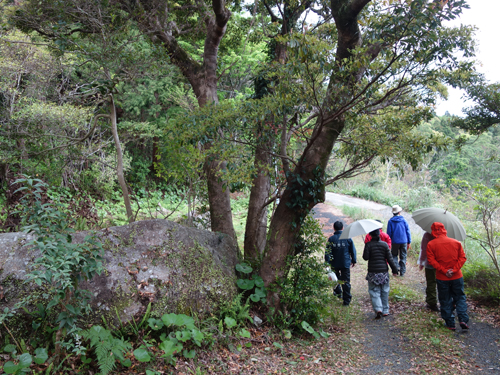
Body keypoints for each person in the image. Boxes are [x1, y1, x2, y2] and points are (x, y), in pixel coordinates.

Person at [427, 222, 469, 331]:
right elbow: (463, 258)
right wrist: (454, 270)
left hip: (442, 277)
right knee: (459, 297)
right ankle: (463, 319)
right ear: (444, 230)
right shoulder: (456, 242)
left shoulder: (431, 244)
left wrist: (445, 271)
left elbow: (431, 261)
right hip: (457, 276)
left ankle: (450, 323)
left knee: (445, 299)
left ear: (433, 231)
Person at [363, 229, 399, 319]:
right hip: (383, 271)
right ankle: (385, 310)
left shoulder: (368, 245)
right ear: (379, 234)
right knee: (385, 290)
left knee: (374, 291)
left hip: (373, 272)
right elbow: (390, 259)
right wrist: (395, 270)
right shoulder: (385, 245)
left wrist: (367, 247)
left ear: (370, 235)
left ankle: (378, 309)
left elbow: (365, 257)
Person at [325, 221, 357, 306]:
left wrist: (327, 263)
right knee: (346, 281)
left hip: (334, 263)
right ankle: (346, 301)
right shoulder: (348, 238)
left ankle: (338, 293)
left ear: (334, 228)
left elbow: (327, 252)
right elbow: (352, 250)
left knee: (335, 279)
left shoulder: (331, 239)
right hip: (345, 263)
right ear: (343, 228)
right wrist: (353, 260)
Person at [386, 205, 411, 276]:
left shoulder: (390, 221)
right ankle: (402, 272)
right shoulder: (404, 220)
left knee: (394, 255)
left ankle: (396, 269)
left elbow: (389, 233)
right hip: (404, 241)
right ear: (399, 212)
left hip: (394, 242)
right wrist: (409, 241)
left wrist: (389, 242)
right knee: (403, 256)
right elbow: (408, 231)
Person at [418, 232, 439, 312]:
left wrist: (422, 262)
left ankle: (432, 303)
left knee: (431, 283)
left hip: (429, 263)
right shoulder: (444, 234)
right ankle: (445, 303)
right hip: (442, 263)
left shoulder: (427, 235)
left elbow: (424, 249)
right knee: (443, 283)